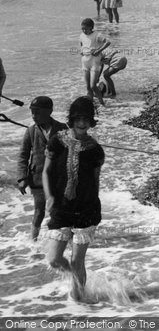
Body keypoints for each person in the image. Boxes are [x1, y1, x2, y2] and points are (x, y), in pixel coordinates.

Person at [43, 97, 105, 302]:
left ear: (91, 121)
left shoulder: (95, 149)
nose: (82, 123)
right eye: (78, 118)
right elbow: (46, 172)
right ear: (71, 119)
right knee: (54, 259)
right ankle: (78, 281)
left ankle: (79, 301)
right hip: (61, 209)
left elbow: (95, 183)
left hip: (86, 211)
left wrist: (94, 210)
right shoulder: (57, 141)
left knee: (78, 261)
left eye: (86, 119)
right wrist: (50, 197)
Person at [16, 97, 68, 241]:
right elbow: (23, 155)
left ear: (50, 111)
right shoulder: (31, 131)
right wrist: (22, 177)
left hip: (58, 179)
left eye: (37, 113)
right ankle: (33, 241)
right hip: (37, 179)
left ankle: (60, 239)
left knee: (57, 210)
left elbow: (69, 152)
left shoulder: (62, 129)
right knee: (39, 211)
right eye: (32, 113)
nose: (34, 116)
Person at [79, 18, 110, 106]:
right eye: (82, 28)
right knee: (88, 87)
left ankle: (102, 103)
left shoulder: (97, 35)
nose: (84, 30)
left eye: (86, 28)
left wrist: (99, 51)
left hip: (94, 62)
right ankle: (90, 105)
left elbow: (108, 42)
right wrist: (81, 50)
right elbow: (81, 43)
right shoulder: (81, 35)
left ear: (91, 27)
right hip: (85, 61)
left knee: (93, 85)